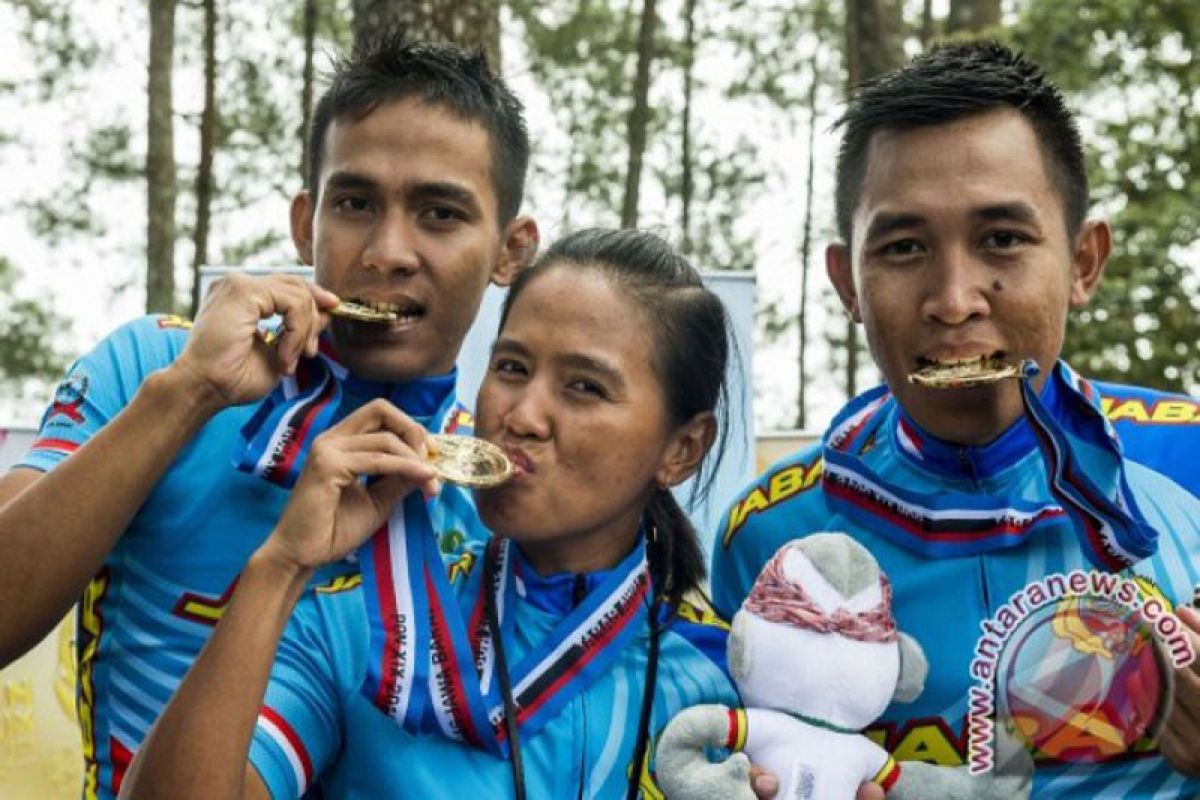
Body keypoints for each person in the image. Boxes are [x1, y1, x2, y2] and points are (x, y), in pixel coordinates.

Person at [0, 34, 538, 798]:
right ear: (303, 222)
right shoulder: (155, 369)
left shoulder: (489, 488)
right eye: (355, 204)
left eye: (440, 213)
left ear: (510, 251)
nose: (388, 251)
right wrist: (189, 396)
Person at [711, 41, 1200, 798]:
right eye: (904, 248)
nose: (954, 299)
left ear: (1083, 262)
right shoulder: (770, 539)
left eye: (1001, 239)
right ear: (847, 283)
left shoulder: (1185, 459)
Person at [120, 228, 757, 799]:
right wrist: (281, 565)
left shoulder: (724, 682)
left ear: (681, 449)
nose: (522, 416)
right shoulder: (362, 630)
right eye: (511, 367)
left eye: (584, 387)